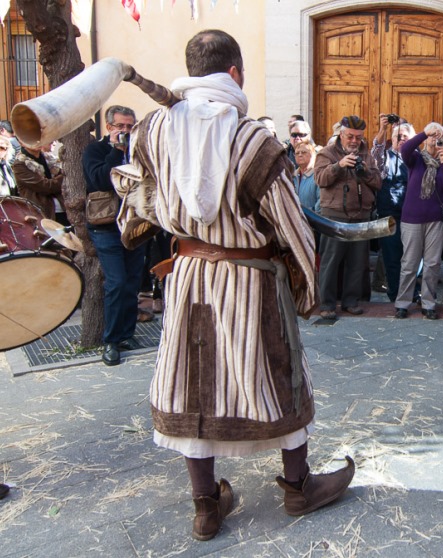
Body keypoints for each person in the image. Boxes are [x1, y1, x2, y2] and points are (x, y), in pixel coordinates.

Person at [114, 30, 354, 540]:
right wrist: (308, 289)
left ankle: (205, 506)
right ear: (236, 74)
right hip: (252, 281)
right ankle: (297, 488)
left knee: (191, 381)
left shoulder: (151, 131)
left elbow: (135, 208)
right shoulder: (255, 141)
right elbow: (291, 224)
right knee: (279, 371)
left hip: (188, 277)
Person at [82, 105, 144, 367]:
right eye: (121, 126)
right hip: (106, 225)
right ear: (109, 127)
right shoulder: (95, 150)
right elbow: (98, 180)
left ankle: (126, 334)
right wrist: (116, 152)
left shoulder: (137, 150)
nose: (126, 131)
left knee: (132, 282)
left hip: (134, 224)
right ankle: (110, 341)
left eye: (130, 126)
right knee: (116, 282)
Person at [313, 115, 381, 322]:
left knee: (357, 262)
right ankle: (327, 303)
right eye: (350, 136)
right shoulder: (327, 153)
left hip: (361, 215)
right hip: (334, 215)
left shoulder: (367, 155)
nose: (354, 141)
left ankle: (351, 301)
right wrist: (339, 166)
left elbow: (378, 183)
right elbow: (320, 179)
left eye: (358, 137)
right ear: (341, 134)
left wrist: (365, 172)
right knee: (331, 261)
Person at [394, 122, 443, 320]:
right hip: (412, 219)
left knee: (432, 263)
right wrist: (423, 133)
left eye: (439, 136)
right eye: (432, 135)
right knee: (409, 263)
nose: (434, 139)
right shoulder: (415, 159)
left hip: (437, 220)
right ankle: (403, 303)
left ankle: (428, 303)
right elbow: (404, 149)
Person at [371, 115, 414, 303]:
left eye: (405, 137)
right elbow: (376, 152)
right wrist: (383, 130)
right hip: (389, 215)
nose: (401, 139)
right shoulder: (385, 158)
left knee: (412, 258)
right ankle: (396, 295)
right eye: (398, 136)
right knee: (392, 258)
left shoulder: (416, 159)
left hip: (412, 216)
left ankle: (412, 291)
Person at [12, 141, 64, 220]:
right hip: (43, 214)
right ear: (21, 143)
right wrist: (65, 177)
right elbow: (45, 187)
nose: (37, 142)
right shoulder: (19, 165)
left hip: (63, 209)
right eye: (32, 140)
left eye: (39, 138)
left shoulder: (48, 158)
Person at [293, 139, 320, 214]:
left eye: (304, 152)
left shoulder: (318, 176)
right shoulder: (292, 177)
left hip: (312, 222)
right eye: (297, 153)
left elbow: (320, 206)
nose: (300, 155)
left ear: (313, 154)